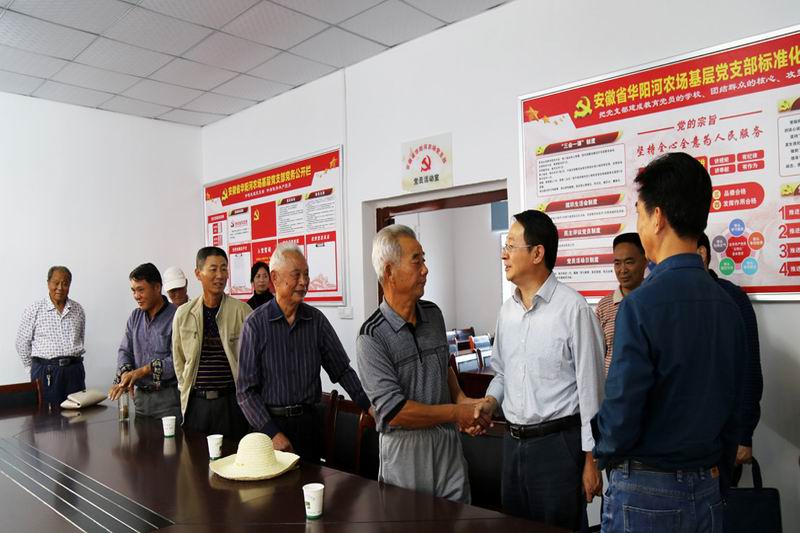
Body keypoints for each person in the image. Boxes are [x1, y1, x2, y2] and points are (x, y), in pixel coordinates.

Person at [592, 153, 746, 532]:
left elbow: (622, 413)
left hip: (646, 492)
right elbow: (735, 404)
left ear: (657, 217)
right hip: (708, 486)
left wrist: (602, 451)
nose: (640, 224)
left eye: (639, 214)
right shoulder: (728, 305)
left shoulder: (640, 305)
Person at [474, 210, 604, 531]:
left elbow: (591, 391)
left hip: (557, 447)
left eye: (511, 245)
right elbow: (502, 373)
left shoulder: (573, 309)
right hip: (512, 444)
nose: (503, 254)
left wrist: (591, 459)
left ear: (537, 253)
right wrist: (490, 402)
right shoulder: (507, 312)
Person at [356, 225, 490, 504]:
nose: (425, 270)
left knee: (459, 518)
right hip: (405, 451)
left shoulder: (433, 314)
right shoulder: (371, 336)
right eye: (416, 261)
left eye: (424, 260)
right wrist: (456, 413)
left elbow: (444, 367)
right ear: (389, 271)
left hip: (447, 446)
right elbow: (395, 412)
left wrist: (462, 399)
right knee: (409, 520)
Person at [237, 243, 370, 461]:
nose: (304, 281)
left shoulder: (315, 321)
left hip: (309, 426)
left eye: (306, 274)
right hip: (269, 428)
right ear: (275, 278)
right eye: (296, 274)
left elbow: (342, 370)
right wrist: (272, 433)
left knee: (311, 482)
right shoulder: (255, 324)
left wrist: (368, 405)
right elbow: (245, 392)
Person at [697, 233, 763, 469]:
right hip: (681, 439)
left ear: (701, 254)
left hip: (722, 433)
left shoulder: (732, 298)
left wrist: (745, 435)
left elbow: (749, 369)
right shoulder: (667, 299)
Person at [172, 247, 252, 438]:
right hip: (197, 404)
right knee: (195, 454)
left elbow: (253, 360)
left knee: (232, 454)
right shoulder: (183, 314)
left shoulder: (243, 311)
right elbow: (179, 360)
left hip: (232, 402)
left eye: (224, 269)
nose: (220, 275)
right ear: (198, 273)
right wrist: (187, 388)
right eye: (213, 269)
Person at [108, 263, 181, 420]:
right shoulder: (135, 317)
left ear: (157, 287)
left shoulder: (177, 316)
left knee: (170, 437)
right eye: (133, 291)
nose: (136, 296)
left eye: (141, 290)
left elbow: (178, 361)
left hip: (168, 400)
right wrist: (126, 374)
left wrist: (142, 371)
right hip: (140, 399)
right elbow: (124, 351)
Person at [16, 266, 86, 404]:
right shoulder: (34, 309)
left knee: (77, 413)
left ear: (69, 285)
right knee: (46, 414)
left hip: (74, 372)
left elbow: (80, 338)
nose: (60, 288)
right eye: (56, 283)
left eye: (65, 283)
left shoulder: (78, 309)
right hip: (45, 372)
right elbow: (21, 343)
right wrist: (32, 369)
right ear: (48, 283)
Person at [595, 233, 647, 375]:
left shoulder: (656, 301)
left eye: (629, 262)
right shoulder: (604, 306)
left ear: (645, 261)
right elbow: (597, 353)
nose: (622, 270)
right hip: (611, 385)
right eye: (617, 263)